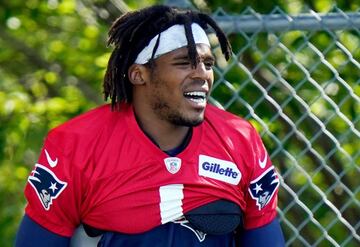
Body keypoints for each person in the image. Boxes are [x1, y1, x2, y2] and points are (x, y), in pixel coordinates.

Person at [15, 4, 285, 247]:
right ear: (138, 74)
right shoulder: (77, 143)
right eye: (183, 63)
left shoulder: (239, 138)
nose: (202, 74)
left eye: (207, 63)